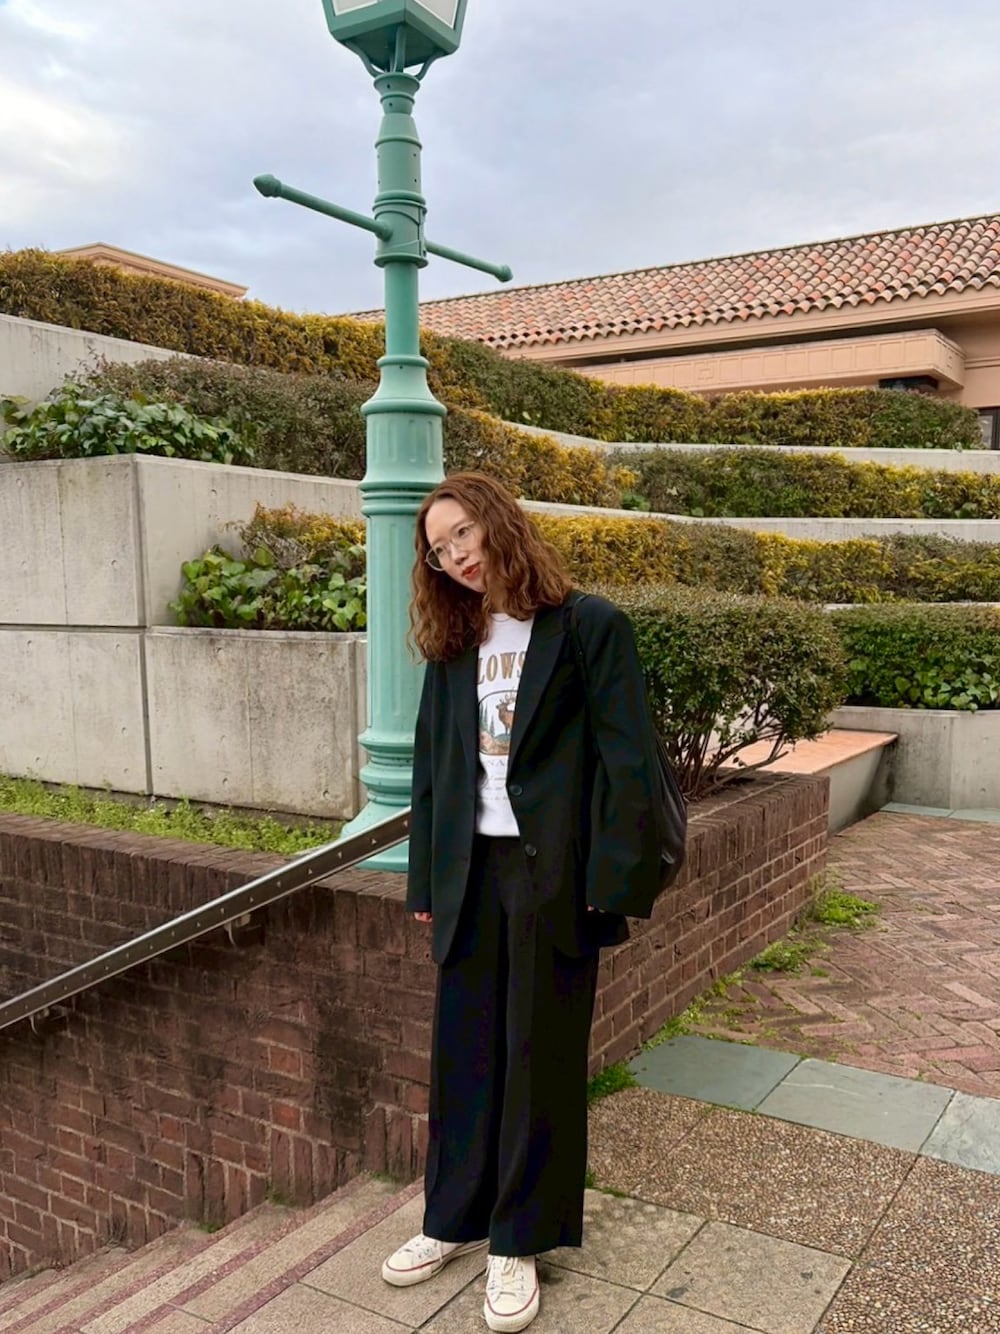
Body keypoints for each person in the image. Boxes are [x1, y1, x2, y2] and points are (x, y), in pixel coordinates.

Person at [381, 471, 664, 1333]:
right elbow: (433, 771)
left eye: (463, 534)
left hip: (552, 877)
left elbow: (629, 763)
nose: (456, 557)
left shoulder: (587, 626)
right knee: (464, 1051)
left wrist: (608, 884)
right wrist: (425, 881)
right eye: (440, 550)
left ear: (498, 523)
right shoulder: (454, 645)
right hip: (470, 872)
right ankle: (451, 1219)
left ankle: (518, 1240)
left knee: (538, 1055)